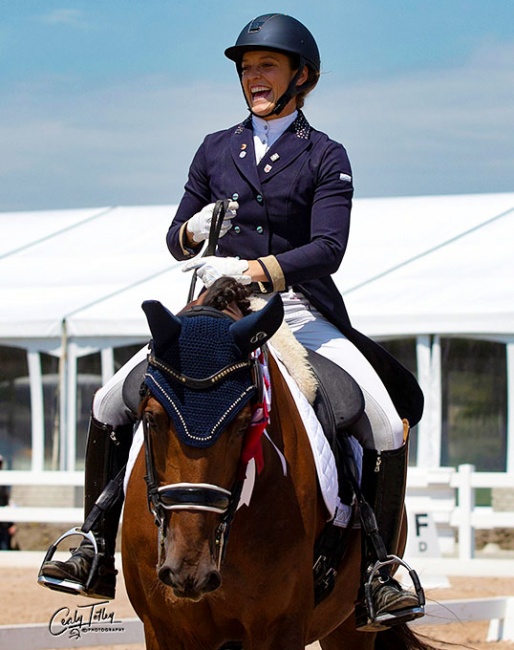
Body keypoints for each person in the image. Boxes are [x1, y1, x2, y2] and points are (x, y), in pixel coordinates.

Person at [39, 13, 424, 631]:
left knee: (382, 418)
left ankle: (380, 572)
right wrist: (191, 232)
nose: (255, 78)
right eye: (248, 69)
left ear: (304, 76)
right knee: (110, 401)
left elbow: (328, 248)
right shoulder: (216, 147)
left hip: (293, 310)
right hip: (208, 312)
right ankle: (92, 545)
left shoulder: (327, 154)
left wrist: (260, 271)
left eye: (267, 67)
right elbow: (176, 236)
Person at [0, 455, 17, 551]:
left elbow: (6, 502)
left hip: (3, 523)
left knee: (4, 546)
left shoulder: (4, 481)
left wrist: (11, 524)